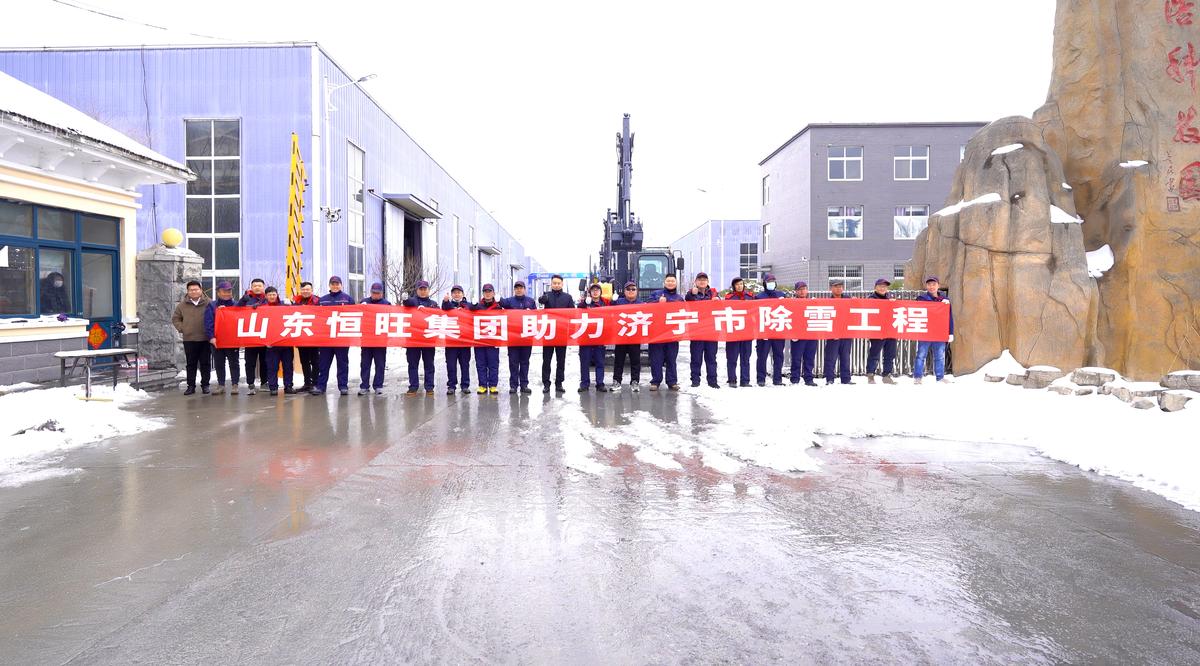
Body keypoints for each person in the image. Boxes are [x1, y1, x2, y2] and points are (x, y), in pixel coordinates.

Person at [311, 276, 355, 396]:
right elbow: (316, 317)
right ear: (329, 285)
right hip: (326, 339)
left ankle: (343, 386)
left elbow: (355, 316)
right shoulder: (322, 300)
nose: (335, 286)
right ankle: (321, 386)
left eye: (337, 284)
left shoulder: (348, 299)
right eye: (333, 284)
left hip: (342, 338)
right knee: (323, 364)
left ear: (341, 285)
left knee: (342, 363)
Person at [172, 280, 211, 395]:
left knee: (205, 363)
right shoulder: (182, 305)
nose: (193, 292)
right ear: (188, 291)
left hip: (205, 338)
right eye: (191, 290)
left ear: (201, 290)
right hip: (189, 339)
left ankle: (205, 385)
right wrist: (183, 328)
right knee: (191, 364)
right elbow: (176, 319)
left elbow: (216, 316)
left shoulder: (209, 303)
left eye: (196, 289)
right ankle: (191, 386)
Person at [537, 274, 575, 394]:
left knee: (561, 360)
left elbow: (573, 314)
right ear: (551, 284)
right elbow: (540, 301)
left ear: (562, 284)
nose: (556, 285)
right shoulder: (547, 295)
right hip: (548, 332)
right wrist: (542, 299)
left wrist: (571, 330)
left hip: (562, 333)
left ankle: (559, 383)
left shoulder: (568, 297)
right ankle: (546, 383)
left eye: (558, 283)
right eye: (554, 283)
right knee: (546, 360)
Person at [914, 276, 955, 384]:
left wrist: (950, 332)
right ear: (926, 286)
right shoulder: (921, 298)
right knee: (921, 355)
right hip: (925, 333)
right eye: (929, 284)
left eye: (934, 284)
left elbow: (949, 317)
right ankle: (918, 377)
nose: (931, 287)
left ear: (938, 286)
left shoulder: (944, 300)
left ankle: (940, 377)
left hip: (939, 333)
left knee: (940, 356)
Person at [684, 272, 721, 389]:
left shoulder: (713, 293)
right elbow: (687, 299)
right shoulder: (691, 293)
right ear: (696, 282)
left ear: (707, 282)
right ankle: (695, 380)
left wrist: (717, 300)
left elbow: (720, 306)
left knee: (711, 358)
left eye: (704, 280)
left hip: (711, 331)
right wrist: (692, 293)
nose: (702, 281)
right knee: (696, 357)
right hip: (697, 331)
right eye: (700, 280)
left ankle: (712, 381)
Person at [500, 280, 537, 394]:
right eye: (516, 288)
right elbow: (499, 303)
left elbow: (537, 317)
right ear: (514, 290)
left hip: (526, 337)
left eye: (521, 288)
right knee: (513, 362)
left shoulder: (531, 301)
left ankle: (524, 385)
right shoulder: (509, 301)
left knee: (525, 362)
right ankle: (513, 385)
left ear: (524, 289)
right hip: (513, 337)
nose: (519, 290)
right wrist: (497, 297)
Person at [403, 280, 438, 396]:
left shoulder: (433, 304)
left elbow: (439, 315)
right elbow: (406, 302)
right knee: (413, 364)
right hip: (413, 340)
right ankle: (413, 386)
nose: (423, 291)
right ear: (417, 290)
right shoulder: (412, 302)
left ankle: (429, 387)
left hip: (428, 339)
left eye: (425, 289)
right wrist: (405, 299)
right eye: (420, 289)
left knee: (429, 364)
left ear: (428, 290)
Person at [649, 275, 684, 391]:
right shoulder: (656, 294)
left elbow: (684, 311)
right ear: (664, 282)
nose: (670, 283)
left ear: (676, 283)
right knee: (656, 359)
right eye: (668, 281)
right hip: (656, 332)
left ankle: (672, 382)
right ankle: (655, 381)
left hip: (672, 333)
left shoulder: (679, 298)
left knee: (671, 359)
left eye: (672, 281)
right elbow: (646, 306)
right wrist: (657, 302)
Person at [205, 280, 240, 394]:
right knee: (219, 363)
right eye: (224, 291)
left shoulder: (236, 305)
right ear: (218, 292)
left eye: (229, 291)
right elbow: (208, 322)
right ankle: (221, 384)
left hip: (232, 340)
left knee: (234, 363)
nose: (227, 293)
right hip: (217, 340)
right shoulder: (212, 305)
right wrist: (211, 337)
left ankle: (235, 384)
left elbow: (240, 321)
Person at [237, 278, 270, 394]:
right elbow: (236, 310)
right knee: (249, 362)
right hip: (250, 336)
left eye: (259, 285)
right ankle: (250, 384)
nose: (257, 287)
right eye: (255, 286)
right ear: (251, 287)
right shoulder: (246, 299)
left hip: (264, 335)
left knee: (265, 361)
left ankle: (264, 382)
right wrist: (242, 301)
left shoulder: (267, 299)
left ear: (263, 287)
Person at [262, 287, 296, 396]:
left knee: (288, 366)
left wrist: (292, 304)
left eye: (274, 294)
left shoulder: (284, 305)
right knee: (272, 367)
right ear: (266, 296)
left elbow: (298, 312)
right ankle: (273, 387)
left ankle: (288, 386)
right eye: (269, 295)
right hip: (271, 343)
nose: (272, 296)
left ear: (277, 295)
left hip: (286, 342)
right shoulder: (262, 307)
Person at [577, 283, 610, 393]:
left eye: (597, 290)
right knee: (584, 362)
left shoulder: (605, 303)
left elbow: (614, 310)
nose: (595, 292)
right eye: (593, 290)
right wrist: (584, 303)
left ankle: (600, 383)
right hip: (585, 337)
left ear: (600, 292)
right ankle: (584, 384)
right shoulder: (585, 303)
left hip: (600, 337)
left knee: (600, 362)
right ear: (590, 293)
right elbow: (577, 310)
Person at [754, 273, 786, 387]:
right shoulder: (759, 297)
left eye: (773, 281)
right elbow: (755, 314)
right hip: (764, 331)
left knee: (778, 356)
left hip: (778, 330)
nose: (771, 283)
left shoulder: (781, 295)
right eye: (769, 281)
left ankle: (777, 379)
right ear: (765, 283)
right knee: (762, 356)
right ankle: (761, 379)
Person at [472, 284, 504, 394]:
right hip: (479, 340)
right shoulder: (478, 306)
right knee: (480, 364)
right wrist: (472, 305)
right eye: (485, 291)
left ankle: (493, 385)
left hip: (493, 340)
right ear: (483, 293)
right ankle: (482, 385)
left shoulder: (499, 306)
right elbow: (469, 309)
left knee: (493, 364)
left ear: (493, 293)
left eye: (489, 291)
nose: (487, 293)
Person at [358, 282, 390, 396]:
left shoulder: (386, 304)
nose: (375, 295)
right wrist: (361, 308)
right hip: (366, 338)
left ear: (382, 293)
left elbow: (391, 319)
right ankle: (364, 386)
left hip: (380, 339)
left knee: (380, 364)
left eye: (378, 293)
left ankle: (378, 385)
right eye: (374, 293)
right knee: (365, 364)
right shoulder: (364, 302)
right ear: (370, 292)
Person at [441, 285, 473, 395]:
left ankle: (465, 385)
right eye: (454, 293)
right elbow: (444, 307)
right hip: (451, 342)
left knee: (465, 365)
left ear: (463, 294)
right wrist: (446, 301)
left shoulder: (468, 305)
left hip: (464, 342)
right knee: (451, 365)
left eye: (459, 292)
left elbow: (475, 310)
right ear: (452, 295)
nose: (457, 294)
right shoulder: (448, 305)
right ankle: (451, 386)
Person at [611, 281, 642, 392]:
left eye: (633, 289)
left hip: (635, 337)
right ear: (624, 291)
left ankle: (635, 381)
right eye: (628, 289)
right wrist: (612, 301)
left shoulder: (642, 304)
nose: (631, 291)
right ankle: (617, 381)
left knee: (635, 361)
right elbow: (607, 311)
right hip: (621, 336)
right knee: (619, 361)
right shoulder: (618, 302)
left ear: (637, 291)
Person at [866, 278, 898, 384]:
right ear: (875, 287)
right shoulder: (871, 299)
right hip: (877, 331)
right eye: (880, 286)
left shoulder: (890, 298)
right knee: (874, 353)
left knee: (890, 354)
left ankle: (887, 375)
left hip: (890, 331)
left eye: (884, 286)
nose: (882, 288)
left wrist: (893, 303)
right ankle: (870, 374)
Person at [724, 277, 755, 387]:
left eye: (741, 284)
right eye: (737, 284)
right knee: (732, 358)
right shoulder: (729, 298)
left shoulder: (750, 297)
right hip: (733, 332)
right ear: (734, 286)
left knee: (745, 358)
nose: (739, 286)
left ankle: (745, 380)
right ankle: (732, 380)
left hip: (747, 332)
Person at [823, 280, 854, 385]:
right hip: (833, 335)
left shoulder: (848, 299)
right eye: (836, 286)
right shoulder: (828, 301)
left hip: (846, 334)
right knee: (831, 358)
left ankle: (846, 379)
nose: (838, 288)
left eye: (840, 286)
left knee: (845, 357)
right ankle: (830, 379)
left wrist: (856, 301)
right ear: (831, 288)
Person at [292, 281, 321, 392]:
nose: (305, 291)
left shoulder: (318, 301)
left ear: (311, 290)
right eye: (303, 289)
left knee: (315, 361)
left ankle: (315, 383)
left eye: (307, 289)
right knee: (304, 361)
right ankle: (307, 383)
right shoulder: (296, 302)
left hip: (314, 336)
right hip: (301, 336)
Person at [789, 281, 819, 387]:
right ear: (796, 291)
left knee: (809, 358)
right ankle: (795, 378)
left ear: (807, 290)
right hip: (797, 335)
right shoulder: (791, 303)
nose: (802, 291)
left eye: (804, 289)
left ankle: (808, 378)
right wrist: (792, 333)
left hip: (811, 333)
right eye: (800, 289)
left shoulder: (813, 302)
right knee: (796, 358)